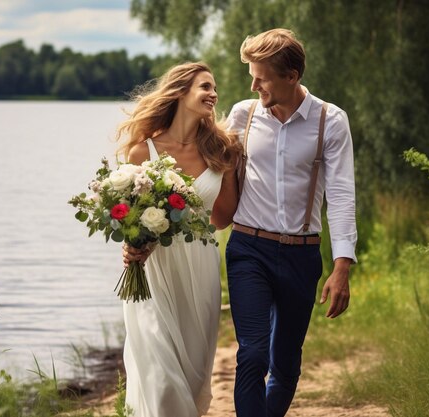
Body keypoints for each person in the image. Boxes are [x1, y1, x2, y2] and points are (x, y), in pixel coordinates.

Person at [225, 28, 357, 416]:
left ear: (291, 76)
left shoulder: (330, 121)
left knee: (285, 365)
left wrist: (342, 266)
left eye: (261, 77)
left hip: (302, 256)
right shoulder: (241, 116)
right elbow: (209, 170)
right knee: (252, 354)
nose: (253, 85)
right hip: (248, 249)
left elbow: (342, 195)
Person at [116, 62, 241, 416]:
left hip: (200, 266)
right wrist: (131, 243)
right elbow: (129, 215)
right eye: (205, 86)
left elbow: (222, 218)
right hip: (153, 269)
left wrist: (229, 167)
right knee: (159, 368)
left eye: (214, 88)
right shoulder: (144, 151)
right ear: (180, 92)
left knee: (193, 371)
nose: (213, 94)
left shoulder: (221, 150)